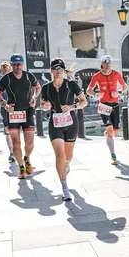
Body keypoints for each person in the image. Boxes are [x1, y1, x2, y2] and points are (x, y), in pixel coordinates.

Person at [40, 58, 88, 200]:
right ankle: (65, 187)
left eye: (61, 68)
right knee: (59, 155)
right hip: (55, 123)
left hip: (71, 122)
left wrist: (72, 107)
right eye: (55, 68)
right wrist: (45, 106)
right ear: (51, 70)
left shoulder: (71, 85)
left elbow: (83, 101)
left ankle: (66, 164)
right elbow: (42, 104)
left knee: (68, 156)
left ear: (63, 70)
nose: (58, 70)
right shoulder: (46, 87)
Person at [0, 54, 41, 179]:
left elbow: (38, 87)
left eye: (19, 64)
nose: (17, 67)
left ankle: (27, 158)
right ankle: (21, 167)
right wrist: (5, 106)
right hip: (13, 113)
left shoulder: (29, 76)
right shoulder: (6, 78)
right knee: (16, 143)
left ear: (23, 64)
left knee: (29, 143)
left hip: (28, 111)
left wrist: (34, 97)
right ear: (11, 64)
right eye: (14, 64)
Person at [86, 55, 126, 165]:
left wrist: (119, 93)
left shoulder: (116, 74)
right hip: (103, 105)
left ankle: (108, 133)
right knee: (109, 129)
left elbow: (125, 87)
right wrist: (95, 94)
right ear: (102, 64)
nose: (108, 65)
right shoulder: (96, 76)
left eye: (109, 63)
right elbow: (88, 90)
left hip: (115, 105)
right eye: (105, 62)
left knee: (115, 132)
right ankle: (113, 155)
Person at [0, 61, 15, 163]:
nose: (5, 69)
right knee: (7, 130)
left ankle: (17, 150)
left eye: (7, 67)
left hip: (15, 107)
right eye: (3, 68)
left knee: (16, 130)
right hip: (4, 107)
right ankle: (11, 152)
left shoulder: (15, 78)